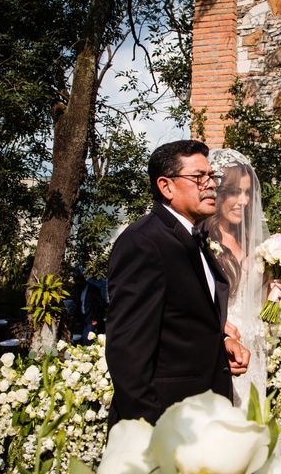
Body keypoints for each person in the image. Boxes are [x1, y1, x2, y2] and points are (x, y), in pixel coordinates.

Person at [105, 140, 251, 429]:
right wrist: (149, 433)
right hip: (165, 424)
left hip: (202, 418)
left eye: (212, 177)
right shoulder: (144, 243)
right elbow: (128, 353)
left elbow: (181, 323)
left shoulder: (193, 237)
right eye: (199, 177)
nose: (211, 185)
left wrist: (221, 344)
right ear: (166, 186)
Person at [203, 149, 281, 408]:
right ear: (217, 194)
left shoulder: (254, 243)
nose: (243, 200)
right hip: (222, 353)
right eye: (233, 192)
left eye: (247, 192)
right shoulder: (204, 242)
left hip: (256, 351)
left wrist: (274, 291)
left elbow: (258, 306)